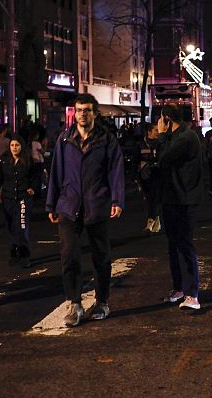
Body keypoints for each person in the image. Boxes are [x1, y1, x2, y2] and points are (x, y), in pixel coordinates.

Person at [46, 94, 125, 326]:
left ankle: (102, 302)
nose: (82, 114)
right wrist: (51, 203)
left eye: (87, 110)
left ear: (95, 113)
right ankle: (74, 303)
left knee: (101, 257)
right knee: (69, 256)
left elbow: (116, 171)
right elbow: (56, 173)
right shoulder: (64, 140)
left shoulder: (107, 140)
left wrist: (117, 200)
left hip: (97, 204)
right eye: (79, 110)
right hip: (69, 206)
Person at [154, 104, 205, 310]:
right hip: (172, 198)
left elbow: (163, 158)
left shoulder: (185, 138)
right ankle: (179, 289)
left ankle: (192, 293)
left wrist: (160, 135)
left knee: (184, 245)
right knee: (173, 245)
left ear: (166, 119)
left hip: (185, 199)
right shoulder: (179, 136)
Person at [0, 134, 36, 268]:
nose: (14, 148)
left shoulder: (28, 160)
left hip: (23, 198)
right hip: (7, 198)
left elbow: (35, 177)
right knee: (11, 227)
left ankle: (25, 255)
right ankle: (14, 253)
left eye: (17, 145)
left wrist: (33, 188)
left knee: (21, 226)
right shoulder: (4, 160)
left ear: (21, 146)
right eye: (12, 145)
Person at [139, 123, 162, 234]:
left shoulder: (160, 144)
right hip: (145, 176)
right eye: (155, 130)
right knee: (150, 199)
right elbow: (136, 160)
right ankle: (156, 221)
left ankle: (150, 221)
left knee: (155, 198)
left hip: (158, 175)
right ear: (149, 131)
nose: (158, 132)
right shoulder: (141, 144)